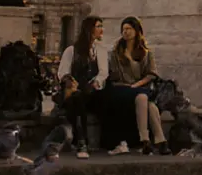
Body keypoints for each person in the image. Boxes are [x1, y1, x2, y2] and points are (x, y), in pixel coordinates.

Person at [102, 16, 169, 155]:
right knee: (144, 98)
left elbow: (151, 74)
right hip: (121, 88)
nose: (125, 32)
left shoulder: (146, 52)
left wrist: (137, 85)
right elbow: (113, 75)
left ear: (137, 31)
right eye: (123, 29)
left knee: (147, 102)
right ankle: (152, 140)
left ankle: (151, 142)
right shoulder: (116, 52)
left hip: (139, 88)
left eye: (129, 29)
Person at [56, 16, 108, 158]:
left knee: (103, 97)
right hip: (75, 92)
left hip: (92, 92)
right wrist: (71, 82)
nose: (101, 29)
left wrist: (95, 83)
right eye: (98, 26)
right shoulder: (71, 50)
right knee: (77, 98)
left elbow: (103, 73)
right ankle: (81, 141)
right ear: (89, 29)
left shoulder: (101, 51)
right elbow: (62, 73)